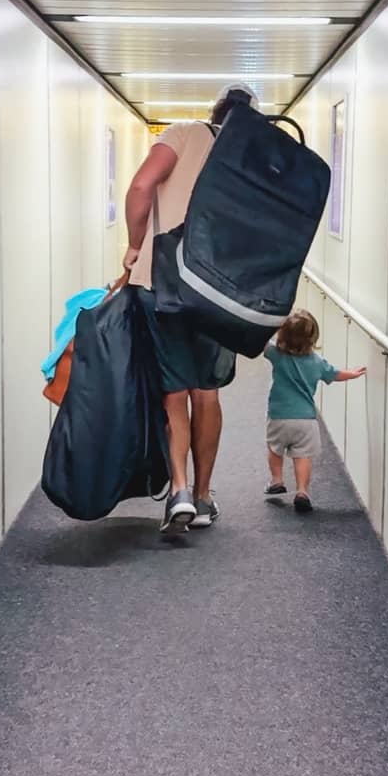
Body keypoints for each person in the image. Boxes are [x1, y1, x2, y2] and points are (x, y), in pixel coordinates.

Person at [123, 83, 260, 534]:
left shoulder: (182, 133)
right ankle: (203, 498)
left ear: (212, 110)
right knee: (208, 392)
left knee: (173, 392)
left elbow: (142, 185)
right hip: (220, 290)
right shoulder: (252, 154)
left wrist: (134, 245)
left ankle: (178, 489)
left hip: (162, 283)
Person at [263, 310, 366, 513]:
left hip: (278, 416)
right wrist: (353, 374)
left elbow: (262, 345)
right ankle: (302, 491)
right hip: (306, 420)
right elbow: (335, 374)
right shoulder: (317, 362)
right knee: (302, 456)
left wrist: (273, 324)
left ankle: (277, 480)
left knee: (275, 449)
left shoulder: (277, 355)